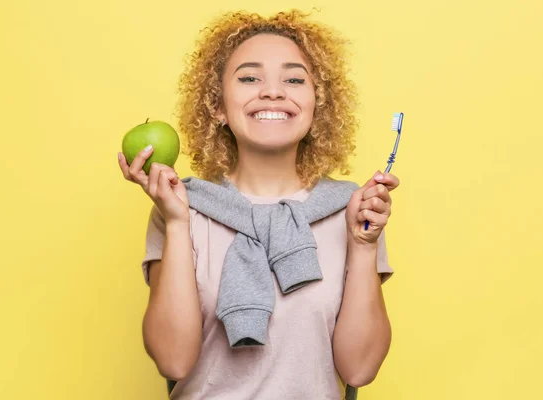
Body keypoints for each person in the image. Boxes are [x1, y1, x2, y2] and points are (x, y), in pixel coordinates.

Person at [117, 9, 400, 400]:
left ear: (317, 104)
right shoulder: (182, 207)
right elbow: (172, 361)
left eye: (294, 79)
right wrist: (178, 223)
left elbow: (360, 368)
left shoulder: (352, 211)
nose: (272, 91)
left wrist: (364, 247)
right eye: (250, 78)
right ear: (217, 106)